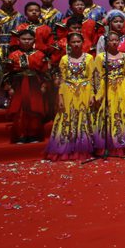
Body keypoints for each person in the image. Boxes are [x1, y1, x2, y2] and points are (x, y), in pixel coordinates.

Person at [44, 32, 96, 161]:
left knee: (83, 118)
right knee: (67, 117)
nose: (76, 44)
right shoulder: (64, 59)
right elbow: (62, 79)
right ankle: (66, 147)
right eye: (73, 42)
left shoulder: (89, 58)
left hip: (85, 91)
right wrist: (60, 97)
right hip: (68, 91)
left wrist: (92, 95)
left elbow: (92, 78)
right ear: (69, 44)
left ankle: (82, 148)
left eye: (78, 41)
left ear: (83, 43)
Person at [1, 29, 49, 143]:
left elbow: (46, 73)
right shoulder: (13, 55)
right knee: (19, 111)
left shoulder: (40, 55)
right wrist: (9, 87)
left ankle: (34, 135)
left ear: (34, 40)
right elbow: (6, 73)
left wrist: (44, 85)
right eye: (24, 39)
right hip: (18, 85)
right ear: (18, 40)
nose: (27, 41)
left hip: (35, 85)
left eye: (29, 39)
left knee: (34, 110)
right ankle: (20, 135)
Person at [93, 31, 125, 156]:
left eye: (116, 40)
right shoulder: (100, 57)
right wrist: (98, 94)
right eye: (111, 40)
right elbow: (97, 76)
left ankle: (121, 144)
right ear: (107, 42)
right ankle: (106, 144)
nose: (114, 42)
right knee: (106, 113)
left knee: (121, 113)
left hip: (121, 88)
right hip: (106, 88)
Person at [0, 0, 24, 89]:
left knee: (14, 72)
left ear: (15, 0)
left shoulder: (19, 16)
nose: (9, 0)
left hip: (14, 48)